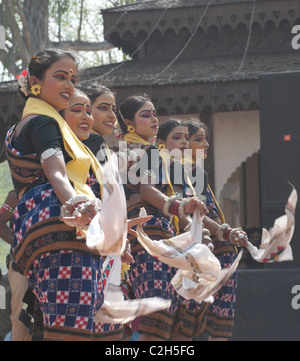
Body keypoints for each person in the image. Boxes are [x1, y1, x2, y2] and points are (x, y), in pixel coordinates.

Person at [5, 48, 107, 341]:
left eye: (72, 79)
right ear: (34, 82)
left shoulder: (18, 128)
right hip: (63, 228)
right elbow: (57, 172)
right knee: (72, 330)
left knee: (59, 326)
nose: (69, 85)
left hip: (38, 235)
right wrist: (75, 201)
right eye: (60, 77)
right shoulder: (45, 123)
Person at [116, 94, 208, 341]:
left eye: (154, 113)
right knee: (163, 309)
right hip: (150, 229)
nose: (154, 118)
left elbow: (136, 194)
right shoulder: (147, 150)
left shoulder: (122, 150)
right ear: (129, 122)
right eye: (145, 115)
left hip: (138, 232)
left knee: (162, 308)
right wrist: (178, 205)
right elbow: (147, 191)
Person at [62, 87, 126, 341]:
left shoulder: (98, 146)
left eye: (113, 108)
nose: (111, 114)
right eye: (102, 108)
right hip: (86, 241)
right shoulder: (86, 147)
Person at [186, 118, 248, 341]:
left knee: (219, 323)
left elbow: (207, 214)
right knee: (184, 321)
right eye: (198, 139)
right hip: (194, 250)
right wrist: (226, 232)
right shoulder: (172, 172)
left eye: (206, 139)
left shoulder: (198, 174)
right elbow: (194, 215)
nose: (206, 145)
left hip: (220, 252)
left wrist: (228, 232)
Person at [0, 190, 32, 341]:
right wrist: (21, 247)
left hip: (54, 264)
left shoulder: (67, 187)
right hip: (21, 265)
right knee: (19, 317)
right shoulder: (15, 195)